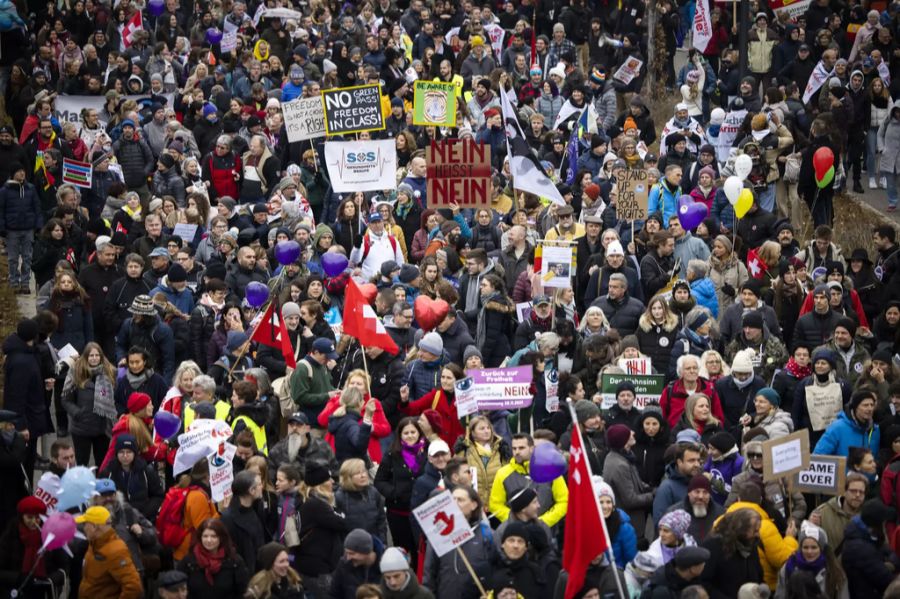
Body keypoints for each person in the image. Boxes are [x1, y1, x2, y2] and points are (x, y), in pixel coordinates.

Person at [490, 434, 569, 528]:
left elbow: (564, 501)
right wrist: (516, 519)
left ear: (532, 448)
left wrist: (544, 521)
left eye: (521, 448)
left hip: (547, 531)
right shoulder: (502, 473)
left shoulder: (550, 469)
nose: (517, 452)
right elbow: (495, 504)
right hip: (516, 531)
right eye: (514, 448)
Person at [77, 505, 143, 599]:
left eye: (85, 524)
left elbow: (133, 587)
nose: (84, 528)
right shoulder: (93, 544)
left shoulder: (116, 551)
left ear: (94, 526)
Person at [700, 508, 765, 599]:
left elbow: (758, 575)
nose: (758, 535)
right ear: (741, 529)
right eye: (755, 531)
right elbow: (704, 583)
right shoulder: (713, 546)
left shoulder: (750, 545)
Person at [176, 518, 249, 599]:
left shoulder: (234, 561)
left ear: (221, 538)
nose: (209, 540)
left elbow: (242, 591)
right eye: (205, 536)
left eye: (214, 536)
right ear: (200, 537)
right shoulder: (188, 561)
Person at [841, 500, 900, 598]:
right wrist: (893, 563)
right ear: (876, 524)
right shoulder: (860, 549)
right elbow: (886, 580)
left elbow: (886, 550)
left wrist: (891, 562)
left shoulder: (866, 537)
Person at [774, 522, 847, 599]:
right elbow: (780, 595)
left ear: (821, 548)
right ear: (800, 548)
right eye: (805, 547)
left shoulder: (833, 570)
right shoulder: (788, 567)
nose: (809, 551)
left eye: (814, 547)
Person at [810, 472, 868, 555]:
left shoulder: (869, 516)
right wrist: (812, 526)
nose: (858, 495)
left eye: (861, 492)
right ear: (844, 491)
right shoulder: (822, 512)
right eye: (853, 491)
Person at [652, 443, 704, 525]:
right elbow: (660, 523)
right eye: (691, 460)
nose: (697, 465)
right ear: (679, 462)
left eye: (698, 460)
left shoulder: (701, 482)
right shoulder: (666, 488)